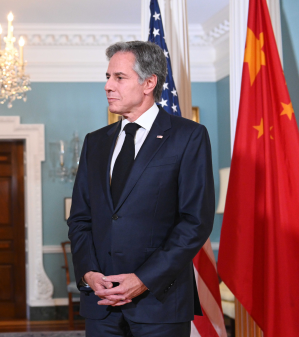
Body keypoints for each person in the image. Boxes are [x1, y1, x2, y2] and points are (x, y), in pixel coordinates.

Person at [67, 41, 215, 336]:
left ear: (149, 83)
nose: (108, 86)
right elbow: (80, 218)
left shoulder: (189, 137)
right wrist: (89, 273)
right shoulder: (95, 142)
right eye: (107, 77)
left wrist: (143, 279)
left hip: (160, 301)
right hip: (101, 303)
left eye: (119, 78)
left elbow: (195, 222)